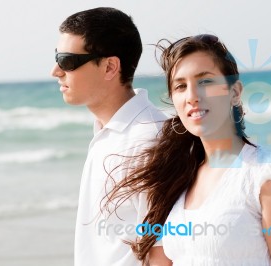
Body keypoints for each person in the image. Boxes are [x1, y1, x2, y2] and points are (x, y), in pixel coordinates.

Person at [104, 34, 271, 265]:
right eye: (181, 86)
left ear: (234, 93)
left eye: (205, 81)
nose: (192, 96)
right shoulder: (177, 179)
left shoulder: (268, 173)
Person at [50, 7, 167, 266]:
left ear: (110, 67)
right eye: (57, 57)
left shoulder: (150, 140)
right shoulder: (109, 131)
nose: (55, 71)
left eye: (68, 61)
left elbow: (163, 250)